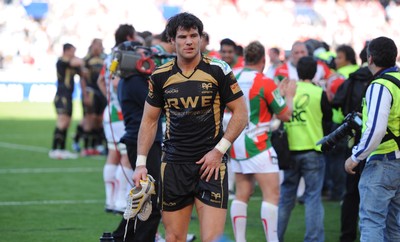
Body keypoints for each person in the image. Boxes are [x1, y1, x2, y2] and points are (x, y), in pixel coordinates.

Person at [133, 12, 248, 242]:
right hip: (174, 165)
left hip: (211, 166)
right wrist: (140, 164)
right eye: (183, 36)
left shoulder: (218, 70)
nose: (189, 41)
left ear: (200, 38)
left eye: (194, 36)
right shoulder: (160, 76)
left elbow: (241, 113)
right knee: (174, 238)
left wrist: (219, 151)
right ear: (172, 40)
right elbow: (149, 120)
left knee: (212, 239)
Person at [229, 41, 296, 242]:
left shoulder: (233, 77)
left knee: (242, 193)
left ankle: (240, 240)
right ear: (263, 60)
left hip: (236, 144)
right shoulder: (265, 81)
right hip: (258, 144)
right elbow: (285, 115)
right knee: (272, 195)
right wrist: (288, 96)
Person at [344, 36, 400, 242]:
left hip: (383, 161)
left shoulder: (380, 84)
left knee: (372, 222)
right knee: (394, 226)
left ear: (370, 58)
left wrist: (356, 156)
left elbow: (376, 129)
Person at [111, 40, 163, 242]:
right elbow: (158, 103)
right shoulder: (133, 81)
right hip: (142, 142)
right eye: (143, 54)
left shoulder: (131, 79)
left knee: (143, 198)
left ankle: (120, 237)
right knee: (151, 199)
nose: (147, 58)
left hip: (139, 141)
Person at [278, 56, 332, 242]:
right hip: (313, 149)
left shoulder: (288, 90)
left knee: (286, 198)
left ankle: (275, 237)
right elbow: (328, 118)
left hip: (290, 150)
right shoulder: (319, 92)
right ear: (315, 71)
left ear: (297, 71)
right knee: (312, 198)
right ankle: (314, 239)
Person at [332, 43, 372, 242]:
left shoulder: (353, 77)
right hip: (380, 144)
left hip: (355, 140)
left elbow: (337, 101)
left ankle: (347, 236)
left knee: (351, 193)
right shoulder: (386, 80)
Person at [97, 24, 135, 214]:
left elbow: (100, 81)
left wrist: (109, 100)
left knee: (114, 154)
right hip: (120, 113)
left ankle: (110, 201)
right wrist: (122, 102)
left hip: (110, 111)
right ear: (129, 36)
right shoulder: (124, 54)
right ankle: (120, 201)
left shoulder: (109, 56)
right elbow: (117, 82)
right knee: (126, 155)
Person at [48, 43, 83, 159]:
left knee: (67, 123)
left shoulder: (71, 63)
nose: (74, 54)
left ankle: (62, 149)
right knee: (61, 122)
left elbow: (82, 70)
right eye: (73, 51)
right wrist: (79, 61)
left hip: (68, 96)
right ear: (66, 51)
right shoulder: (61, 61)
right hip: (62, 96)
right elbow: (78, 62)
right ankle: (54, 149)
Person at [80, 38, 107, 156]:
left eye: (100, 45)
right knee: (89, 119)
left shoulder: (105, 58)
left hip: (101, 91)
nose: (98, 48)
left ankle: (97, 145)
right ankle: (86, 147)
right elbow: (82, 78)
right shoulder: (86, 60)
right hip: (90, 91)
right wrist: (85, 94)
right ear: (92, 46)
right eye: (96, 45)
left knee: (99, 119)